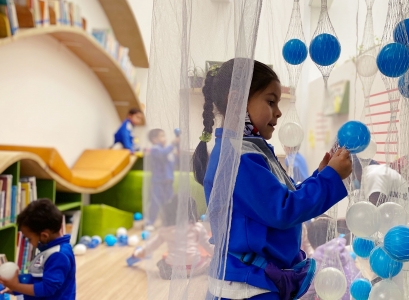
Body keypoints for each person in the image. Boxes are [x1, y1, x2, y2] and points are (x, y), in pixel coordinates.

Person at [193, 59, 352, 300]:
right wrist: (330, 179)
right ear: (235, 101)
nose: (278, 112)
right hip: (247, 286)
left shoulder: (249, 151)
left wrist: (320, 175)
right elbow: (283, 210)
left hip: (255, 278)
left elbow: (282, 198)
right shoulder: (239, 158)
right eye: (270, 101)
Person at [0, 199, 76, 299]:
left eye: (29, 238)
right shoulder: (48, 248)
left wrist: (16, 286)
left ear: (44, 236)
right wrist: (16, 287)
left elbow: (47, 289)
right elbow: (37, 278)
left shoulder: (59, 255)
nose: (29, 242)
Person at [132, 196, 213, 280]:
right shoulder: (197, 227)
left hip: (174, 270)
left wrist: (137, 254)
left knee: (162, 263)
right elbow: (208, 245)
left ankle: (171, 271)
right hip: (196, 268)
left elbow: (151, 246)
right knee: (208, 260)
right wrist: (220, 256)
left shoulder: (165, 231)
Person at [146, 128, 179, 229]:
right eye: (162, 136)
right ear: (154, 139)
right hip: (158, 181)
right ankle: (150, 222)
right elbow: (163, 153)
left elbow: (174, 163)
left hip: (168, 181)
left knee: (168, 202)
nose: (164, 138)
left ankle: (168, 221)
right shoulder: (155, 149)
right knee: (155, 202)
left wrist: (177, 150)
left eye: (164, 136)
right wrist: (173, 143)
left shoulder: (167, 151)